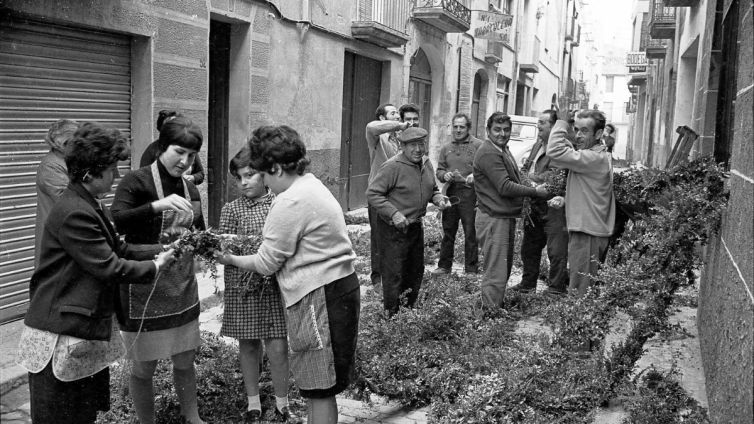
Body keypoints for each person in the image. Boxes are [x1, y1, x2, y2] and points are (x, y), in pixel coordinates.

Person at [17, 122, 174, 424]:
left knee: (84, 415)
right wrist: (156, 266)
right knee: (60, 417)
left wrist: (161, 249)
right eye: (112, 169)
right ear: (90, 172)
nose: (117, 176)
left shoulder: (90, 203)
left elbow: (120, 249)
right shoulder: (75, 210)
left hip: (80, 330)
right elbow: (110, 266)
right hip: (59, 334)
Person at [218, 125, 359, 424]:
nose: (265, 182)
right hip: (336, 289)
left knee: (319, 389)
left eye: (264, 174)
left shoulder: (290, 200)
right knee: (318, 387)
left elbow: (267, 262)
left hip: (320, 297)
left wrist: (230, 258)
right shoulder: (311, 184)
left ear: (278, 168)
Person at [111, 116, 207, 424]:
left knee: (184, 359)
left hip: (181, 286)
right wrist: (158, 206)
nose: (185, 161)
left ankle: (192, 417)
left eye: (191, 155)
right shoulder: (135, 181)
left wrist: (212, 245)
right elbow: (119, 220)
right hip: (144, 286)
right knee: (143, 366)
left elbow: (199, 231)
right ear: (162, 146)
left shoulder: (190, 190)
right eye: (179, 151)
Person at [219, 147, 299, 423]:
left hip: (275, 285)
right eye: (238, 177)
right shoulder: (232, 210)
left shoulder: (280, 203)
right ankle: (253, 402)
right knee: (249, 345)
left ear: (263, 175)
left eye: (250, 175)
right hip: (244, 287)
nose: (244, 182)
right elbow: (224, 249)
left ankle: (282, 402)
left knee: (277, 345)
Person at [367, 127, 450, 315]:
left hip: (414, 227)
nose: (418, 149)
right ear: (402, 146)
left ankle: (408, 312)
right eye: (412, 145)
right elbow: (373, 194)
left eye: (421, 144)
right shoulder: (392, 166)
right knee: (394, 273)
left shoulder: (426, 163)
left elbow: (432, 188)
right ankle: (392, 316)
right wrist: (394, 213)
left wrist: (437, 199)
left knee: (414, 271)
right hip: (393, 229)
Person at [473, 113, 549, 308]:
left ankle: (493, 308)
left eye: (506, 129)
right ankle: (489, 314)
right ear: (487, 130)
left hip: (501, 217)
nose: (502, 133)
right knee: (496, 271)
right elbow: (504, 186)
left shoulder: (501, 149)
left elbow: (514, 179)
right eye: (497, 130)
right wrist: (535, 192)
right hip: (493, 219)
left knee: (502, 267)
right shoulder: (489, 152)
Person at [547, 110, 616, 296]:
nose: (578, 135)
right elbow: (591, 192)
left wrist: (561, 122)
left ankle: (576, 325)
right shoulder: (595, 155)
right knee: (583, 289)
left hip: (588, 234)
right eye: (576, 129)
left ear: (599, 134)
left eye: (584, 131)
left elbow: (554, 151)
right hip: (589, 231)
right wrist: (567, 200)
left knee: (580, 294)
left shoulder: (593, 158)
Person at [511, 110, 569, 295]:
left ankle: (556, 289)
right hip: (534, 204)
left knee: (556, 250)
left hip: (554, 205)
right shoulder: (537, 145)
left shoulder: (562, 148)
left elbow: (555, 175)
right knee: (529, 247)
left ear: (553, 127)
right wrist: (524, 176)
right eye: (538, 122)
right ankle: (528, 284)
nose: (539, 126)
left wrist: (529, 178)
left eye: (543, 123)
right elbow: (527, 165)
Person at [365, 104, 411, 285]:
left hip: (397, 197)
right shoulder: (377, 138)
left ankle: (395, 276)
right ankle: (378, 280)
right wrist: (398, 126)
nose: (398, 117)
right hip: (379, 196)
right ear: (382, 119)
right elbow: (370, 127)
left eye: (398, 114)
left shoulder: (400, 140)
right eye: (393, 114)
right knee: (378, 239)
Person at [433, 113, 483, 275]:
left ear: (468, 128)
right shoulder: (446, 148)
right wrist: (444, 175)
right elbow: (439, 170)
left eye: (462, 127)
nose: (458, 130)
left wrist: (474, 176)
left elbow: (484, 170)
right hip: (451, 193)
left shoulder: (478, 146)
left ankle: (471, 268)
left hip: (470, 194)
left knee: (470, 232)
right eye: (455, 126)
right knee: (448, 231)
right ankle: (444, 266)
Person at [34, 119, 79, 268]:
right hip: (57, 237)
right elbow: (71, 199)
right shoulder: (51, 166)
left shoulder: (69, 161)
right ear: (61, 144)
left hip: (68, 234)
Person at [140, 109, 205, 185]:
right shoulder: (152, 150)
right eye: (179, 152)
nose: (184, 161)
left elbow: (200, 173)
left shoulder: (189, 149)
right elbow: (143, 178)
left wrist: (192, 178)